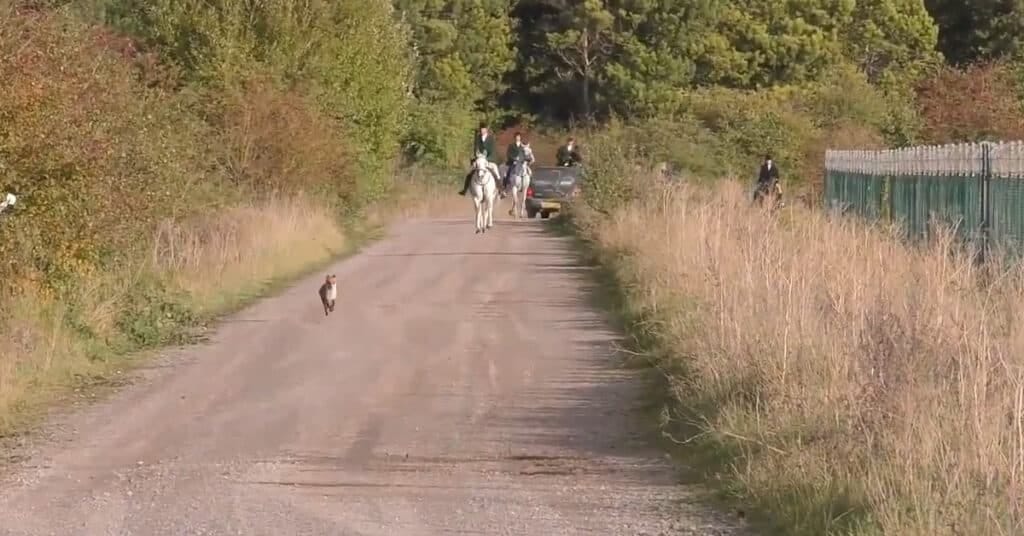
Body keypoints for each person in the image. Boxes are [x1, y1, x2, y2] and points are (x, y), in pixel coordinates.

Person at [459, 122, 498, 196]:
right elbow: (475, 148)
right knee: (469, 173)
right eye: (481, 129)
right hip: (479, 159)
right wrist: (477, 157)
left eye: (483, 129)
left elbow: (492, 150)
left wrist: (487, 158)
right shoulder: (478, 138)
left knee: (496, 172)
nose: (482, 130)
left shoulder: (491, 138)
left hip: (489, 159)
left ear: (486, 129)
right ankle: (465, 189)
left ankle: (500, 189)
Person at [502, 132, 526, 196]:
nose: (518, 138)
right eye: (516, 137)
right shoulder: (511, 145)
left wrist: (521, 159)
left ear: (520, 137)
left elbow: (525, 154)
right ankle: (504, 187)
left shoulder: (523, 146)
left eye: (519, 137)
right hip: (512, 162)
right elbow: (508, 154)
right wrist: (514, 159)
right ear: (515, 138)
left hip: (521, 163)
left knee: (527, 172)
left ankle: (524, 186)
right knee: (507, 173)